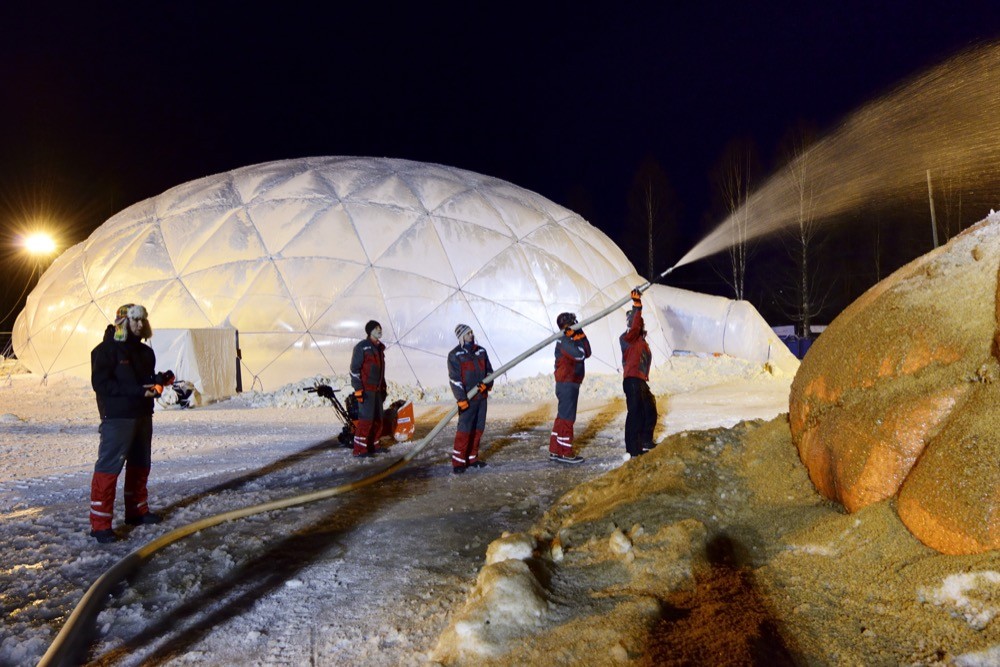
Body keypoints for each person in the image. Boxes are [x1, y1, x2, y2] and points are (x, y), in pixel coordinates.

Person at [89, 304, 170, 543]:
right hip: (118, 417)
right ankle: (100, 524)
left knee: (140, 463)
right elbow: (102, 384)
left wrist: (158, 381)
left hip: (143, 415)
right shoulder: (105, 351)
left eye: (142, 321)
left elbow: (142, 380)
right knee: (109, 466)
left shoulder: (146, 353)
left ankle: (136, 511)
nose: (139, 325)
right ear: (122, 322)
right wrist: (137, 390)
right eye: (134, 320)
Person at [447, 323, 494, 474]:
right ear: (461, 337)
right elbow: (455, 379)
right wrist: (461, 398)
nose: (471, 335)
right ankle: (459, 462)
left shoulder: (481, 351)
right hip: (468, 399)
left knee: (478, 428)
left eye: (472, 332)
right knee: (465, 430)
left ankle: (472, 458)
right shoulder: (455, 355)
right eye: (467, 333)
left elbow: (490, 372)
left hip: (481, 398)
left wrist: (487, 384)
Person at [620, 289, 658, 458]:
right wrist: (637, 305)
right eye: (634, 320)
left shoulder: (641, 340)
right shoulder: (628, 337)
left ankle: (645, 440)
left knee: (649, 409)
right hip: (632, 380)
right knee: (635, 412)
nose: (637, 323)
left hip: (640, 380)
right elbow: (635, 327)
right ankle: (633, 449)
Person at [549, 312, 590, 464]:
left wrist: (580, 334)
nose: (576, 323)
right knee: (567, 418)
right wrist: (575, 338)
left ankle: (555, 449)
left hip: (570, 382)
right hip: (567, 382)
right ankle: (566, 452)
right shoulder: (564, 340)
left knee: (562, 416)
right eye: (573, 322)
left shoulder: (571, 338)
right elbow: (580, 355)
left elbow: (588, 352)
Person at [349, 320, 388, 457]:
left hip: (377, 390)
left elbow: (381, 371)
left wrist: (383, 387)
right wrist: (358, 388)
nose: (380, 330)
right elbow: (354, 370)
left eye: (380, 328)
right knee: (366, 420)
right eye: (377, 328)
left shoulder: (379, 348)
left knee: (378, 418)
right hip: (366, 390)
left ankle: (374, 445)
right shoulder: (362, 347)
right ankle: (360, 449)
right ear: (370, 331)